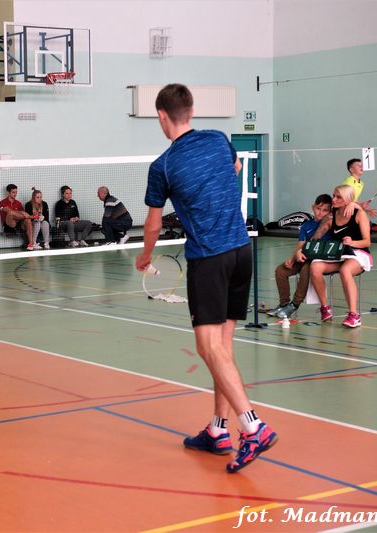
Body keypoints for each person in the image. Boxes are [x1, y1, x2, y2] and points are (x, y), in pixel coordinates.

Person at [135, 83, 277, 473]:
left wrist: (145, 256)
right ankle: (218, 430)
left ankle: (253, 427)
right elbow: (234, 169)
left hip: (210, 259)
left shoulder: (163, 166)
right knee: (222, 348)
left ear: (161, 116)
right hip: (242, 251)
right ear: (192, 111)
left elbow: (152, 224)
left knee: (208, 347)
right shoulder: (217, 139)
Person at [309, 184, 372, 328]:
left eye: (338, 197)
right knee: (315, 266)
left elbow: (367, 242)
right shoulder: (332, 215)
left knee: (345, 270)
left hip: (358, 253)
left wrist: (352, 242)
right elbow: (317, 235)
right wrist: (306, 248)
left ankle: (354, 315)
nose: (334, 199)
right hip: (340, 253)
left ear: (347, 199)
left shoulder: (359, 214)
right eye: (334, 196)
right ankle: (325, 308)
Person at [267, 193, 332, 319]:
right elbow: (300, 246)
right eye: (318, 209)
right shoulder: (306, 226)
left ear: (330, 212)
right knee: (281, 271)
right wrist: (292, 259)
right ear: (313, 207)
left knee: (305, 270)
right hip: (305, 257)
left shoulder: (329, 224)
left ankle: (294, 305)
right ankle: (283, 303)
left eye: (325, 210)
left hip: (318, 260)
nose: (320, 213)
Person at [0, 184, 34, 250]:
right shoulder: (2, 203)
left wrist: (23, 215)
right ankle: (31, 217)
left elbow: (23, 213)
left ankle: (31, 244)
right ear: (8, 193)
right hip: (9, 226)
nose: (15, 194)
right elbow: (8, 210)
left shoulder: (18, 203)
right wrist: (23, 214)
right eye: (13, 192)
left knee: (27, 220)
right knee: (10, 213)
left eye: (16, 192)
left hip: (18, 225)